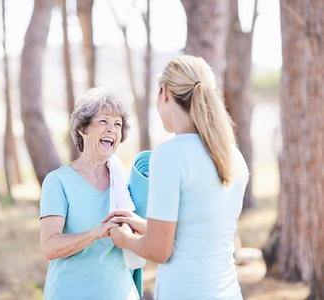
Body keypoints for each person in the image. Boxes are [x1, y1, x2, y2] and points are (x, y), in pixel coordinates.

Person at [105, 55, 249, 299]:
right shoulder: (233, 156)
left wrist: (125, 239)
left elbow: (159, 250)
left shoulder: (170, 155)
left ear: (164, 92)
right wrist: (140, 223)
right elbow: (196, 232)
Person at [39, 88, 139, 300]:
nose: (112, 129)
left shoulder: (125, 182)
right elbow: (49, 247)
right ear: (83, 128)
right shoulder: (58, 182)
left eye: (117, 124)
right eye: (103, 121)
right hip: (71, 293)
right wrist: (96, 233)